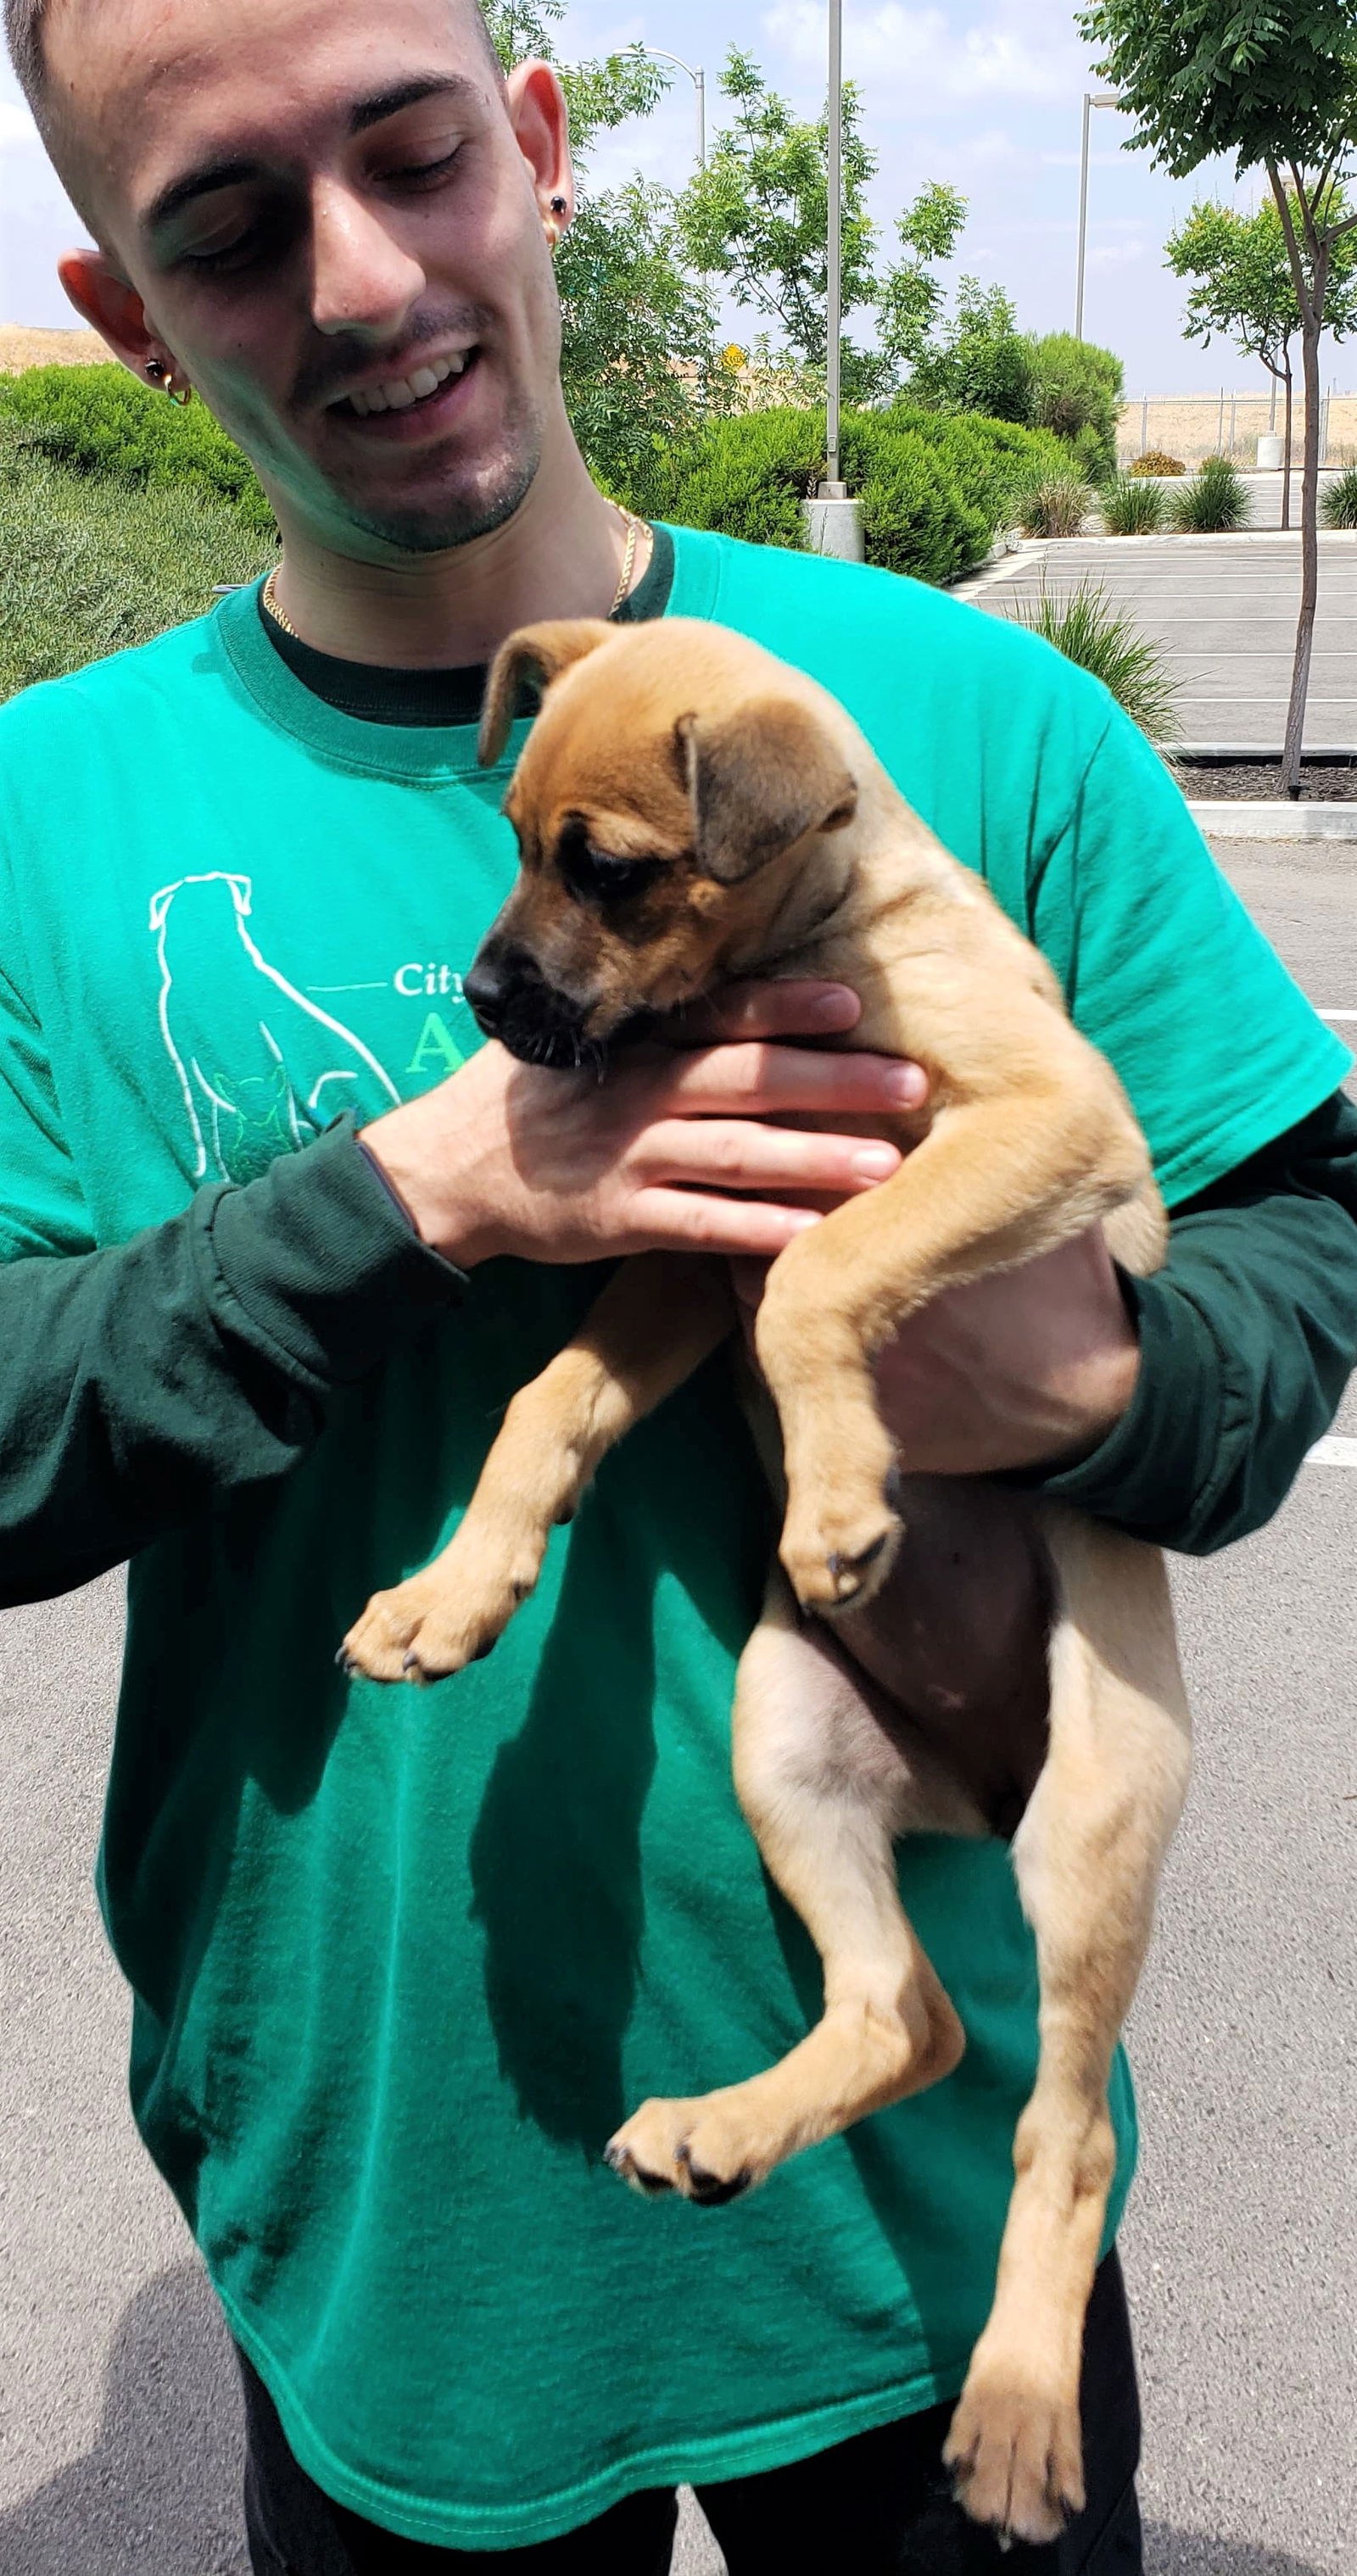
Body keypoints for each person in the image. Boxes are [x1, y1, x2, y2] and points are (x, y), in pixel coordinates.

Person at [1, 0, 1354, 2565]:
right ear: (122, 317)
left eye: (411, 152)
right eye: (230, 228)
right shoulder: (35, 814)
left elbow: (1300, 1229)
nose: (371, 277)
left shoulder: (973, 722)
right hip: (395, 2211)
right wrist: (421, 1203)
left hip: (935, 2240)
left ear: (534, 144)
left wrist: (1096, 1388)